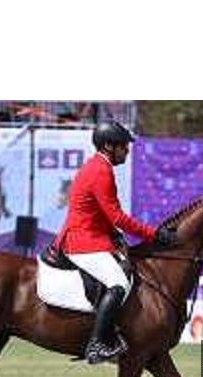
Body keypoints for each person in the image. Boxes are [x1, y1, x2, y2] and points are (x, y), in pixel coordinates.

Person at [53, 121, 178, 364]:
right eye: (123, 146)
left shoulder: (98, 166)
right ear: (109, 146)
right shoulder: (101, 171)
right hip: (82, 241)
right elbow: (117, 216)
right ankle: (98, 343)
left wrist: (114, 235)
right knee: (118, 282)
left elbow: (102, 216)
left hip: (92, 237)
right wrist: (154, 235)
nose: (127, 151)